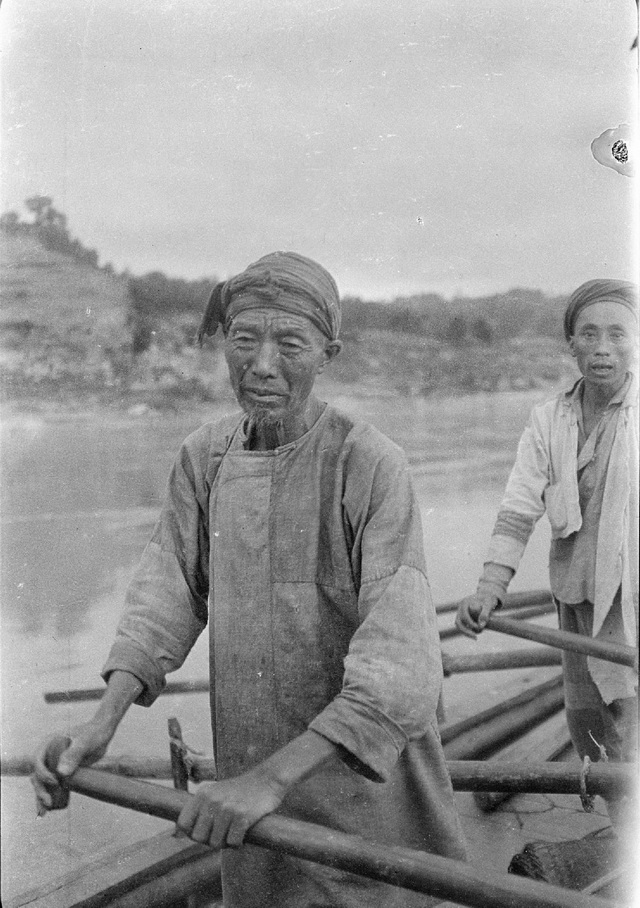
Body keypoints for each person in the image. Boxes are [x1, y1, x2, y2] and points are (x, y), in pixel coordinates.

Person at [32, 251, 467, 907]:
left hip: (363, 797)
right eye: (245, 340)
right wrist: (102, 723)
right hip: (250, 796)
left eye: (289, 342)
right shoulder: (204, 458)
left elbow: (401, 669)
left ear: (328, 353)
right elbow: (164, 599)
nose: (262, 364)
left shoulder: (369, 464)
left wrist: (269, 781)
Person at [456, 279, 638, 840]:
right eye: (589, 334)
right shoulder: (548, 420)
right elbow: (518, 506)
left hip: (630, 604)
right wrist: (490, 586)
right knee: (590, 729)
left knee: (632, 731)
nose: (603, 347)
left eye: (618, 334)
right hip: (576, 605)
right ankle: (620, 836)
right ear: (572, 346)